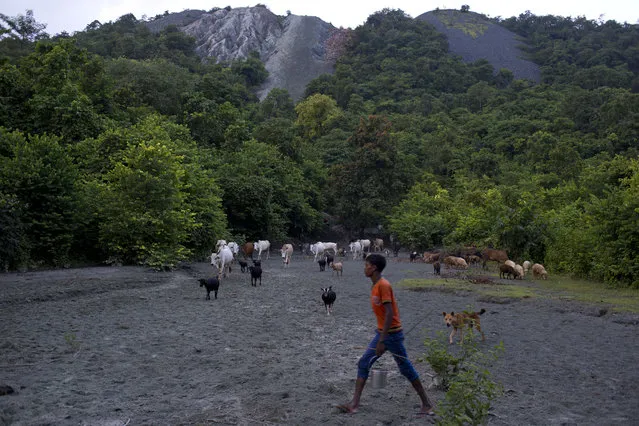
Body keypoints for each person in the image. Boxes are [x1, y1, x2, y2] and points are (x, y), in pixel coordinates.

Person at [337, 253, 435, 415]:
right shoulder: (375, 285)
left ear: (374, 267)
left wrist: (382, 340)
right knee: (366, 363)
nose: (364, 268)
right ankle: (354, 404)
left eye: (366, 265)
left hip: (391, 335)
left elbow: (389, 313)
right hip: (384, 333)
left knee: (404, 368)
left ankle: (427, 404)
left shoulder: (383, 285)